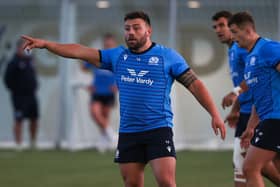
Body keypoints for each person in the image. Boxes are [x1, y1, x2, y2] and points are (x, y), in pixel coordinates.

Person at [22, 11, 226, 187]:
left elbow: (195, 84)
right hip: (129, 132)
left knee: (166, 182)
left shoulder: (167, 56)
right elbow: (79, 51)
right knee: (132, 184)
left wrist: (215, 114)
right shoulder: (117, 56)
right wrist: (46, 44)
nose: (130, 32)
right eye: (127, 28)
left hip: (158, 128)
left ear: (148, 31)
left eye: (136, 28)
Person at [212, 10, 280, 187]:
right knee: (267, 166)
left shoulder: (268, 48)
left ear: (248, 31)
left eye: (234, 32)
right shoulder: (250, 58)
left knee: (250, 167)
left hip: (276, 119)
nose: (233, 37)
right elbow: (259, 98)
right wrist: (251, 127)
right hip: (267, 119)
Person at [81, 34, 118, 152]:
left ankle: (104, 140)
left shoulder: (117, 58)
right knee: (95, 113)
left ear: (114, 45)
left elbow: (124, 74)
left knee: (105, 116)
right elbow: (84, 68)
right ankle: (112, 135)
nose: (108, 46)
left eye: (110, 44)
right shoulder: (98, 56)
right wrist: (87, 83)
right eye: (106, 44)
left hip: (109, 92)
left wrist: (118, 86)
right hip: (97, 91)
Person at [4, 39, 39, 150]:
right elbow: (7, 79)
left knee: (34, 118)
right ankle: (18, 143)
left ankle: (33, 143)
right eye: (24, 47)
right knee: (19, 118)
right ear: (19, 48)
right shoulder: (13, 62)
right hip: (19, 96)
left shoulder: (30, 60)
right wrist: (16, 89)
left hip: (31, 94)